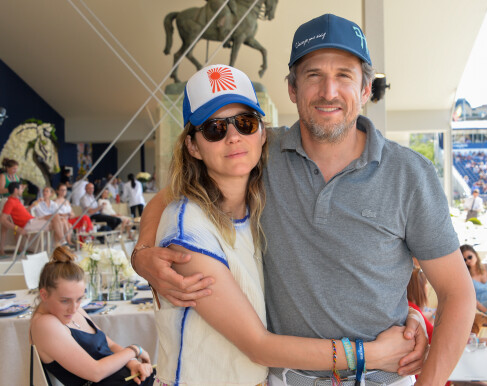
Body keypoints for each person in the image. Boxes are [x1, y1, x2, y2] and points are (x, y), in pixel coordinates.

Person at [134, 14, 475, 385]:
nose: (329, 91)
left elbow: (457, 294)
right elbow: (174, 195)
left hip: (384, 378)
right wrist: (143, 255)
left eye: (344, 75)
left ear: (365, 89)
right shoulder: (260, 151)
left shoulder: (410, 174)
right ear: (293, 89)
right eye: (314, 75)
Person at [149, 64, 419, 385]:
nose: (234, 137)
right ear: (193, 145)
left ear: (263, 133)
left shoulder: (258, 201)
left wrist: (406, 315)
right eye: (214, 129)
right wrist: (369, 354)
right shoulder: (188, 230)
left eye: (246, 123)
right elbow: (258, 346)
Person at [29, 245, 155, 385]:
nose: (73, 308)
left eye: (79, 299)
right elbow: (96, 373)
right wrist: (134, 350)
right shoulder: (45, 324)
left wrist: (133, 364)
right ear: (44, 295)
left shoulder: (72, 310)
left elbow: (110, 345)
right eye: (65, 301)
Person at [0, 181, 66, 249]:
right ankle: (62, 244)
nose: (22, 190)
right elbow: (2, 219)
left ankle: (60, 245)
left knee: (56, 218)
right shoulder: (10, 202)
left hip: (32, 220)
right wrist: (17, 229)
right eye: (21, 189)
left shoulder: (16, 200)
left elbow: (22, 213)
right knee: (56, 222)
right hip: (28, 224)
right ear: (16, 190)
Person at [0, 158, 21, 254]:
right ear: (8, 168)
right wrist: (11, 189)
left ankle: (18, 247)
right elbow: (0, 190)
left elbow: (19, 192)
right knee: (5, 226)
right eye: (13, 169)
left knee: (17, 224)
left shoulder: (16, 177)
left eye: (16, 169)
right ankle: (2, 249)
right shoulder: (3, 176)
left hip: (15, 201)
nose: (15, 171)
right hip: (5, 201)